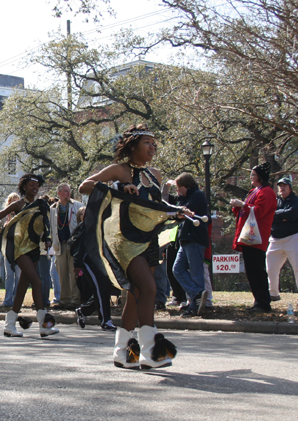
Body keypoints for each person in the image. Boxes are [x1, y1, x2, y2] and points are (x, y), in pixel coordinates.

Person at [78, 124, 176, 369]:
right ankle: (150, 351)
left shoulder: (155, 174)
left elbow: (157, 205)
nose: (152, 147)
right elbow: (85, 186)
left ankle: (122, 352)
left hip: (149, 240)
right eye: (147, 143)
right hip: (125, 241)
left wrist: (176, 212)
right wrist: (117, 188)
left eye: (154, 144)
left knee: (137, 294)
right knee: (149, 288)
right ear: (133, 146)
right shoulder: (119, 170)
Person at [0, 173, 59, 338]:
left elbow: (44, 227)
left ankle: (9, 324)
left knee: (22, 286)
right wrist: (6, 233)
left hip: (34, 248)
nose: (34, 188)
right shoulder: (18, 204)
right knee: (37, 281)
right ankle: (44, 325)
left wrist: (46, 238)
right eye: (31, 185)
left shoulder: (40, 205)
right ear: (24, 187)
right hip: (19, 250)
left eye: (37, 186)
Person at [230, 162, 277, 313]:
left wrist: (242, 204)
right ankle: (258, 300)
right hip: (248, 236)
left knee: (257, 269)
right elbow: (245, 211)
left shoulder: (267, 192)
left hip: (257, 236)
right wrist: (238, 206)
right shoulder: (254, 191)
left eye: (253, 174)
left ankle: (263, 302)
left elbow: (259, 211)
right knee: (251, 270)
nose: (251, 177)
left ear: (260, 177)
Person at [162, 173, 210, 317]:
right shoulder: (186, 197)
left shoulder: (197, 195)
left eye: (178, 188)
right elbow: (177, 208)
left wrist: (181, 210)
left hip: (195, 239)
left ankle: (195, 304)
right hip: (186, 239)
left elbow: (183, 211)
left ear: (186, 186)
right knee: (177, 269)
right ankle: (197, 295)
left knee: (196, 273)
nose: (177, 191)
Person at [265, 176, 298, 302]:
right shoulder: (275, 201)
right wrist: (282, 216)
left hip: (293, 238)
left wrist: (279, 215)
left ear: (290, 188)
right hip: (276, 239)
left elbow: (292, 214)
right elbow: (269, 215)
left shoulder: (296, 200)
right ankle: (273, 293)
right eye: (280, 186)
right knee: (270, 267)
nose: (282, 188)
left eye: (284, 186)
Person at [50, 183, 82, 309]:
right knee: (62, 274)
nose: (68, 193)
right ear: (59, 193)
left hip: (73, 244)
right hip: (60, 244)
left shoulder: (77, 205)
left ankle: (75, 300)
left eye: (69, 191)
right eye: (65, 191)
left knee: (74, 273)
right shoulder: (53, 208)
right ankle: (64, 300)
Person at [0, 193, 20, 308]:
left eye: (17, 201)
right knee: (9, 275)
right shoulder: (4, 216)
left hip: (19, 248)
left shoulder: (22, 214)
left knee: (18, 275)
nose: (15, 203)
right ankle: (7, 300)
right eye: (13, 201)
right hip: (7, 247)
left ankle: (17, 299)